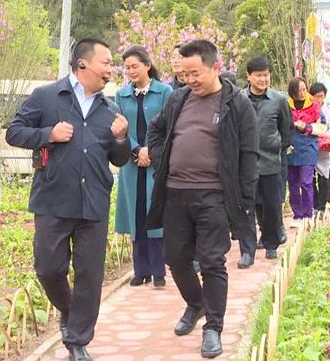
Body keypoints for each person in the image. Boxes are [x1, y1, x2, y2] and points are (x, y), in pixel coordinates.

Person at [5, 38, 131, 361]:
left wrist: (121, 138)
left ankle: (77, 340)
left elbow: (119, 159)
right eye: (106, 62)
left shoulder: (111, 109)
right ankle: (69, 308)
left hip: (94, 203)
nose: (110, 69)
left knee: (90, 274)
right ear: (83, 63)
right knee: (48, 268)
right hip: (53, 200)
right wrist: (48, 134)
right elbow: (14, 132)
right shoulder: (47, 97)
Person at [146, 39, 259, 359]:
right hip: (176, 194)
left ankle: (213, 327)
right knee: (176, 259)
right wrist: (159, 159)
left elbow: (249, 156)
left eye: (195, 73)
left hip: (215, 196)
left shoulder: (237, 104)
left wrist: (244, 204)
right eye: (184, 74)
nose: (190, 80)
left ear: (215, 68)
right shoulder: (178, 99)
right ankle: (195, 304)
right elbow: (156, 132)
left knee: (211, 261)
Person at [115, 46, 173, 288]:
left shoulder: (165, 92)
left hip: (156, 162)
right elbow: (119, 127)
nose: (131, 71)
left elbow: (169, 126)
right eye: (127, 68)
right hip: (132, 162)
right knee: (136, 214)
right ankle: (140, 270)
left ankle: (159, 271)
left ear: (147, 66)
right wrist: (137, 149)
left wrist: (151, 150)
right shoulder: (121, 95)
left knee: (155, 211)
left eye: (134, 66)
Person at [241, 57, 292, 266]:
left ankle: (271, 243)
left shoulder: (279, 100)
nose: (263, 79)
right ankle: (247, 251)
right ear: (249, 76)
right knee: (246, 208)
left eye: (266, 75)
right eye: (258, 75)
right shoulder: (239, 99)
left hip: (271, 161)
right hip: (245, 163)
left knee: (272, 206)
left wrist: (279, 147)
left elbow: (286, 129)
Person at [286, 76, 325, 226]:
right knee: (293, 184)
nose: (302, 93)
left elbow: (322, 127)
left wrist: (307, 127)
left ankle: (308, 214)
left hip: (308, 148)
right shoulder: (285, 104)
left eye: (304, 89)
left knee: (306, 182)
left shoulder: (314, 106)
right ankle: (298, 215)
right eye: (298, 90)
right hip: (290, 149)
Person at [311, 82, 330, 214]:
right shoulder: (307, 109)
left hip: (324, 148)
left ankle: (321, 206)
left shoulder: (329, 111)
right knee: (309, 178)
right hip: (310, 147)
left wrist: (322, 135)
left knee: (324, 177)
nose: (319, 99)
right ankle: (314, 204)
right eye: (316, 96)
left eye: (321, 96)